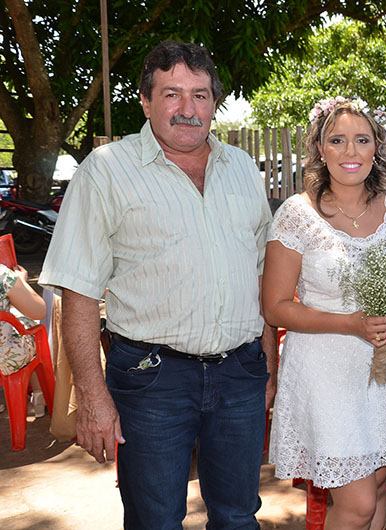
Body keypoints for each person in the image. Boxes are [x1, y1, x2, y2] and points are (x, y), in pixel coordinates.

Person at [39, 41, 274, 529]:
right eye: (172, 94)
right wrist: (93, 397)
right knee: (155, 521)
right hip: (151, 380)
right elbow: (78, 291)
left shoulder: (243, 170)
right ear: (146, 101)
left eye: (200, 95)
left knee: (238, 517)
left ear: (214, 103)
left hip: (240, 374)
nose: (188, 108)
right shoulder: (106, 171)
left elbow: (260, 276)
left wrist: (266, 365)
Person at [263, 97, 386, 530]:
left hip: (384, 367)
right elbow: (275, 307)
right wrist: (351, 324)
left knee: (377, 487)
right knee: (357, 505)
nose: (350, 151)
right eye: (337, 140)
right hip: (326, 372)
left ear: (376, 147)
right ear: (320, 149)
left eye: (361, 140)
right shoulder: (297, 214)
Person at [0, 263, 47, 415]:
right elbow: (39, 311)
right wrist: (21, 282)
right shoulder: (3, 274)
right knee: (31, 328)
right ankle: (39, 395)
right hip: (5, 359)